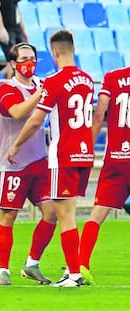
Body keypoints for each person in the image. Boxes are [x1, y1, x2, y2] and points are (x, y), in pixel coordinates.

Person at [8, 30, 95, 287]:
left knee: (65, 215)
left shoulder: (54, 82)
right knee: (69, 212)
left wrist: (16, 144)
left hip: (64, 154)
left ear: (54, 52)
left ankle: (74, 274)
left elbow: (36, 120)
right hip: (85, 153)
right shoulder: (88, 80)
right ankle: (69, 270)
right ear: (73, 48)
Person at [0, 43, 57, 286]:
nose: (29, 63)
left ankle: (32, 263)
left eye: (32, 58)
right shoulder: (7, 89)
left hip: (39, 160)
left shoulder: (42, 84)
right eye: (23, 59)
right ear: (13, 63)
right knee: (8, 215)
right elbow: (18, 112)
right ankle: (3, 269)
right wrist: (40, 94)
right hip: (14, 164)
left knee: (51, 213)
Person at [79, 65, 130, 285]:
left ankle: (81, 265)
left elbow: (99, 113)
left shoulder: (112, 77)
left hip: (116, 158)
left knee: (98, 213)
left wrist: (88, 147)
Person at [0, 0, 29, 79]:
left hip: (17, 29)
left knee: (23, 59)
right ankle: (9, 87)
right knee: (13, 61)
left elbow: (16, 9)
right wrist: (1, 29)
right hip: (6, 29)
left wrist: (24, 29)